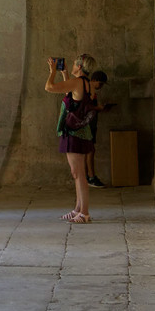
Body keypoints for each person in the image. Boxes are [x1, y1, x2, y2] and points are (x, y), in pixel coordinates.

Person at [46, 53, 99, 223]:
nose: (73, 65)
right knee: (77, 173)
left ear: (79, 66)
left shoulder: (77, 82)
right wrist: (64, 75)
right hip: (83, 132)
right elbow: (75, 95)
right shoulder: (87, 83)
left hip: (74, 134)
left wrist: (52, 71)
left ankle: (84, 212)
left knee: (79, 174)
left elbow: (49, 87)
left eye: (75, 63)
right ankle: (78, 209)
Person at [84, 70, 112, 188]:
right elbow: (84, 107)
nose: (100, 86)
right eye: (100, 84)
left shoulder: (92, 91)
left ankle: (88, 176)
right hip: (86, 124)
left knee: (89, 150)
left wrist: (101, 109)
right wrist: (97, 108)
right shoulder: (86, 90)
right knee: (90, 150)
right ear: (94, 80)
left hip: (91, 123)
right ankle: (90, 177)